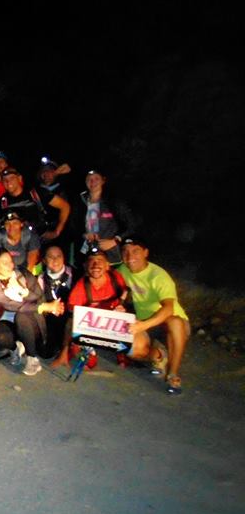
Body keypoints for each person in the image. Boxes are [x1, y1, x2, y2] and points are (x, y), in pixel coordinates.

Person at [119, 237, 190, 395]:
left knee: (175, 322)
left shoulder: (158, 276)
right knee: (133, 350)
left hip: (169, 321)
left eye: (136, 251)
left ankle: (173, 373)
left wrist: (143, 325)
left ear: (146, 253)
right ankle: (159, 357)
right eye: (125, 252)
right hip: (145, 321)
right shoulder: (123, 270)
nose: (130, 257)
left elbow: (169, 308)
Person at [0, 249, 64, 375]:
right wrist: (44, 307)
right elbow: (13, 306)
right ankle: (17, 347)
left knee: (22, 317)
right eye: (5, 263)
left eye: (10, 261)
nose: (10, 265)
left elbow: (39, 296)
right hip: (11, 317)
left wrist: (24, 292)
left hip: (33, 319)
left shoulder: (22, 273)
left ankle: (32, 358)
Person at [50, 247, 128, 367]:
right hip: (93, 325)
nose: (96, 265)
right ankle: (70, 351)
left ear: (107, 265)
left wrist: (121, 305)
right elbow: (72, 316)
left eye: (100, 261)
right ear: (85, 266)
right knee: (88, 362)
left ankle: (122, 352)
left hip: (113, 322)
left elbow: (125, 293)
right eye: (91, 261)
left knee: (137, 347)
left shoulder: (116, 278)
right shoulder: (81, 286)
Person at [76, 169, 136, 266]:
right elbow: (74, 225)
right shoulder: (80, 202)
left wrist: (115, 240)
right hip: (88, 254)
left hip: (112, 256)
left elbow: (131, 225)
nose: (92, 182)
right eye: (89, 179)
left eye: (96, 178)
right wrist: (84, 234)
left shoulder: (113, 201)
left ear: (103, 180)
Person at [39, 245, 76, 361]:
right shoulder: (40, 279)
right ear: (44, 260)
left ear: (64, 258)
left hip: (71, 319)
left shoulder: (76, 274)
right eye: (50, 257)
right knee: (45, 353)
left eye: (58, 256)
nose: (55, 260)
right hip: (50, 318)